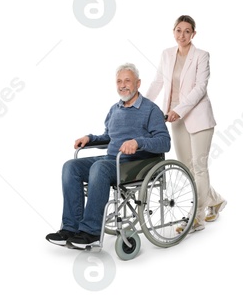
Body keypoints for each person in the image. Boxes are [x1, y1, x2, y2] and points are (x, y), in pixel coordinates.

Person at [46, 63, 170, 250]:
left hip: (136, 163)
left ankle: (91, 232)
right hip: (112, 160)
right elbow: (109, 137)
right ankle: (70, 228)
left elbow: (164, 142)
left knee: (99, 168)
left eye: (127, 80)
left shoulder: (151, 110)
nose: (122, 85)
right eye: (119, 81)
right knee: (70, 166)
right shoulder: (115, 109)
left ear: (138, 83)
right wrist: (90, 138)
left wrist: (138, 142)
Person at [143, 15, 225, 233]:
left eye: (187, 31)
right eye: (179, 30)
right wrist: (141, 105)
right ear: (173, 32)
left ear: (193, 34)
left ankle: (196, 218)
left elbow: (200, 88)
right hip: (173, 117)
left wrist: (178, 111)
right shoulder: (167, 55)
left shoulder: (202, 56)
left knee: (199, 167)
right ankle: (215, 200)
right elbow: (158, 82)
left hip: (198, 117)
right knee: (187, 167)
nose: (182, 35)